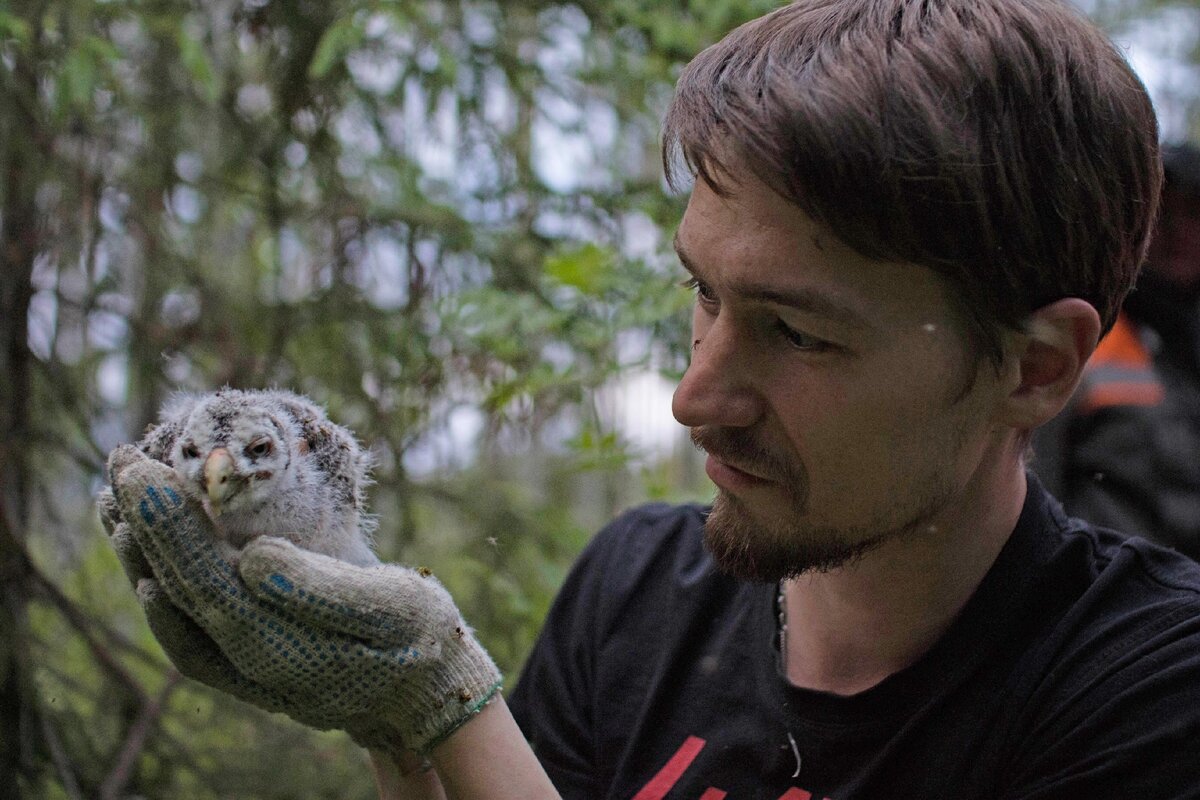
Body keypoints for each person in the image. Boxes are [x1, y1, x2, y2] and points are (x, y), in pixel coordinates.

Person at [101, 1, 1200, 798]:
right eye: (702, 294)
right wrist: (403, 737)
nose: (694, 394)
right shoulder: (638, 596)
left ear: (1037, 366)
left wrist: (448, 704)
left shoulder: (1148, 690)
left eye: (799, 331)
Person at [1033, 141, 1200, 560]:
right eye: (1163, 215)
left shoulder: (1186, 343)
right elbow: (1031, 489)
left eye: (1195, 213)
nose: (1178, 233)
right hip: (1106, 605)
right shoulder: (1084, 334)